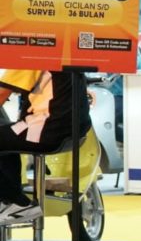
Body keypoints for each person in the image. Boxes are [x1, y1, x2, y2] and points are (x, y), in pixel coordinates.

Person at [0, 69, 90, 221]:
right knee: (6, 137)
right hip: (74, 129)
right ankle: (10, 199)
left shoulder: (28, 58)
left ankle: (17, 202)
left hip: (47, 128)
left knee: (6, 136)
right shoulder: (57, 56)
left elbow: (2, 93)